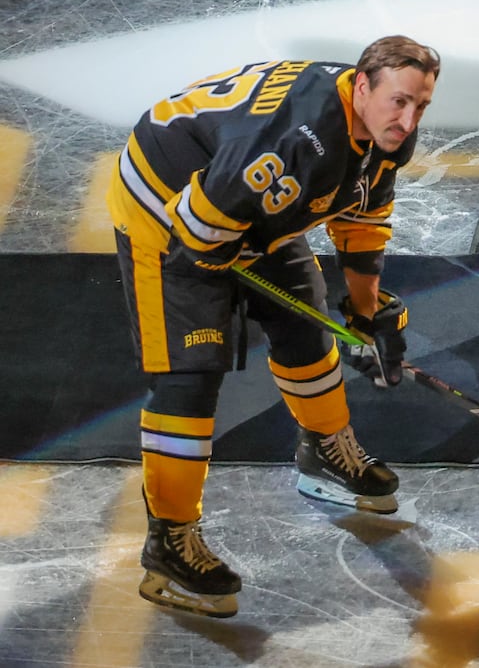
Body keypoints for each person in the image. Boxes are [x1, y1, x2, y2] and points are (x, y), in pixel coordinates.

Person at [106, 35, 442, 618]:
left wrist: (365, 311)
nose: (408, 120)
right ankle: (168, 541)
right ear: (362, 86)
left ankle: (324, 449)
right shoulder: (294, 139)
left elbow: (362, 221)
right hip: (170, 215)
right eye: (399, 103)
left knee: (304, 329)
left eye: (420, 106)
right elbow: (201, 235)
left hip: (245, 203)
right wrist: (223, 260)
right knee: (191, 375)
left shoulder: (381, 127)